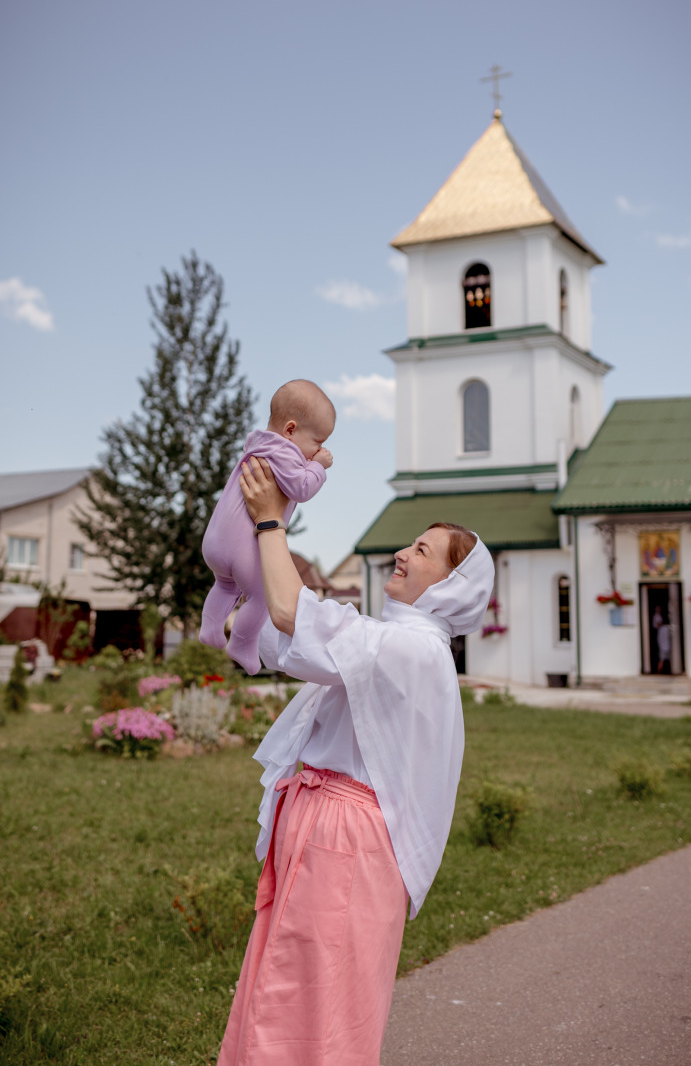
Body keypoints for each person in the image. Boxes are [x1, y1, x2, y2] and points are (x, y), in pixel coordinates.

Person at [216, 455, 494, 1066]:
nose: (402, 553)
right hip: (327, 831)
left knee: (312, 1005)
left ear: (449, 584)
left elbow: (297, 618)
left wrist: (269, 524)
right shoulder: (394, 643)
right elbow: (297, 640)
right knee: (293, 990)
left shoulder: (411, 649)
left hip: (343, 838)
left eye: (422, 551)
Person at [199, 379, 335, 674]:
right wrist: (318, 467)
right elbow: (301, 488)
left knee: (224, 585)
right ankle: (242, 643)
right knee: (261, 595)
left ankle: (210, 630)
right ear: (290, 430)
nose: (319, 449)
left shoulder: (257, 445)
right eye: (318, 441)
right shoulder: (285, 452)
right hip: (242, 549)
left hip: (214, 543)